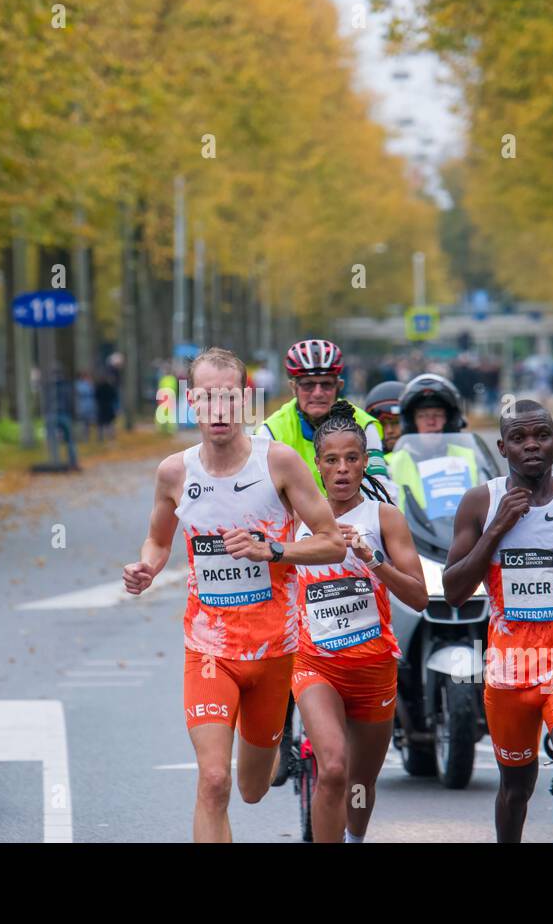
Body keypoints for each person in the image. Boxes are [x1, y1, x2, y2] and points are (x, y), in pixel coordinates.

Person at [122, 347, 346, 843]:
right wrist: (147, 568)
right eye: (206, 398)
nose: (218, 410)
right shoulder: (174, 473)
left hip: (275, 651)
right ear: (191, 402)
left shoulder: (280, 463)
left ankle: (268, 757)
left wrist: (276, 550)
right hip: (208, 650)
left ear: (245, 400)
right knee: (214, 780)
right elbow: (158, 539)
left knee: (252, 786)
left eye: (228, 397)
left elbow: (331, 542)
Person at [443, 400, 553, 842]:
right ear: (503, 447)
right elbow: (454, 591)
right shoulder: (481, 503)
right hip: (510, 671)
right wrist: (497, 528)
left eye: (540, 435)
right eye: (519, 438)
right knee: (516, 787)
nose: (531, 445)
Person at [292, 401, 427, 842]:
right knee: (332, 766)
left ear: (366, 461)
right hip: (316, 665)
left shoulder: (384, 518)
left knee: (358, 783)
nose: (343, 469)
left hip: (373, 669)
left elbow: (419, 596)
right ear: (317, 464)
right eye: (332, 460)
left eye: (352, 458)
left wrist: (374, 559)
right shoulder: (296, 521)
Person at [257, 338, 388, 495]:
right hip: (298, 518)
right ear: (293, 388)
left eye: (326, 384)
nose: (318, 393)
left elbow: (380, 487)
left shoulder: (365, 425)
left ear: (339, 386)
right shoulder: (271, 431)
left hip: (355, 517)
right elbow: (263, 495)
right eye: (308, 385)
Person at [387, 373, 478, 512]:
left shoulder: (469, 457)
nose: (431, 422)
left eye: (437, 415)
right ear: (411, 423)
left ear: (449, 421)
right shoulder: (394, 463)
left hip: (464, 531)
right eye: (422, 416)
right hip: (409, 533)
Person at [95, 371, 118, 442]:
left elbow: (96, 396)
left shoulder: (99, 387)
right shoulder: (110, 387)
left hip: (101, 407)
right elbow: (114, 396)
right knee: (110, 423)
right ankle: (111, 437)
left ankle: (100, 438)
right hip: (109, 407)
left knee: (100, 423)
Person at [75, 371, 98, 444]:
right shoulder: (79, 384)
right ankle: (82, 437)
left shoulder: (89, 384)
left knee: (87, 423)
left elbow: (93, 393)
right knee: (82, 422)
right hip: (82, 405)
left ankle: (87, 438)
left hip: (89, 405)